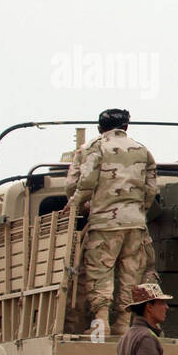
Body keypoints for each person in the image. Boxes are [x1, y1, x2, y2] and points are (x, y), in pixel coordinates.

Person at [71, 109, 159, 335]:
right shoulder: (142, 150)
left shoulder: (95, 147)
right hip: (135, 223)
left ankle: (102, 324)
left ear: (100, 128)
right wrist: (138, 210)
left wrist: (75, 204)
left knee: (100, 271)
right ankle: (123, 325)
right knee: (131, 275)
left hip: (105, 223)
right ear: (126, 127)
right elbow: (151, 190)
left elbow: (84, 182)